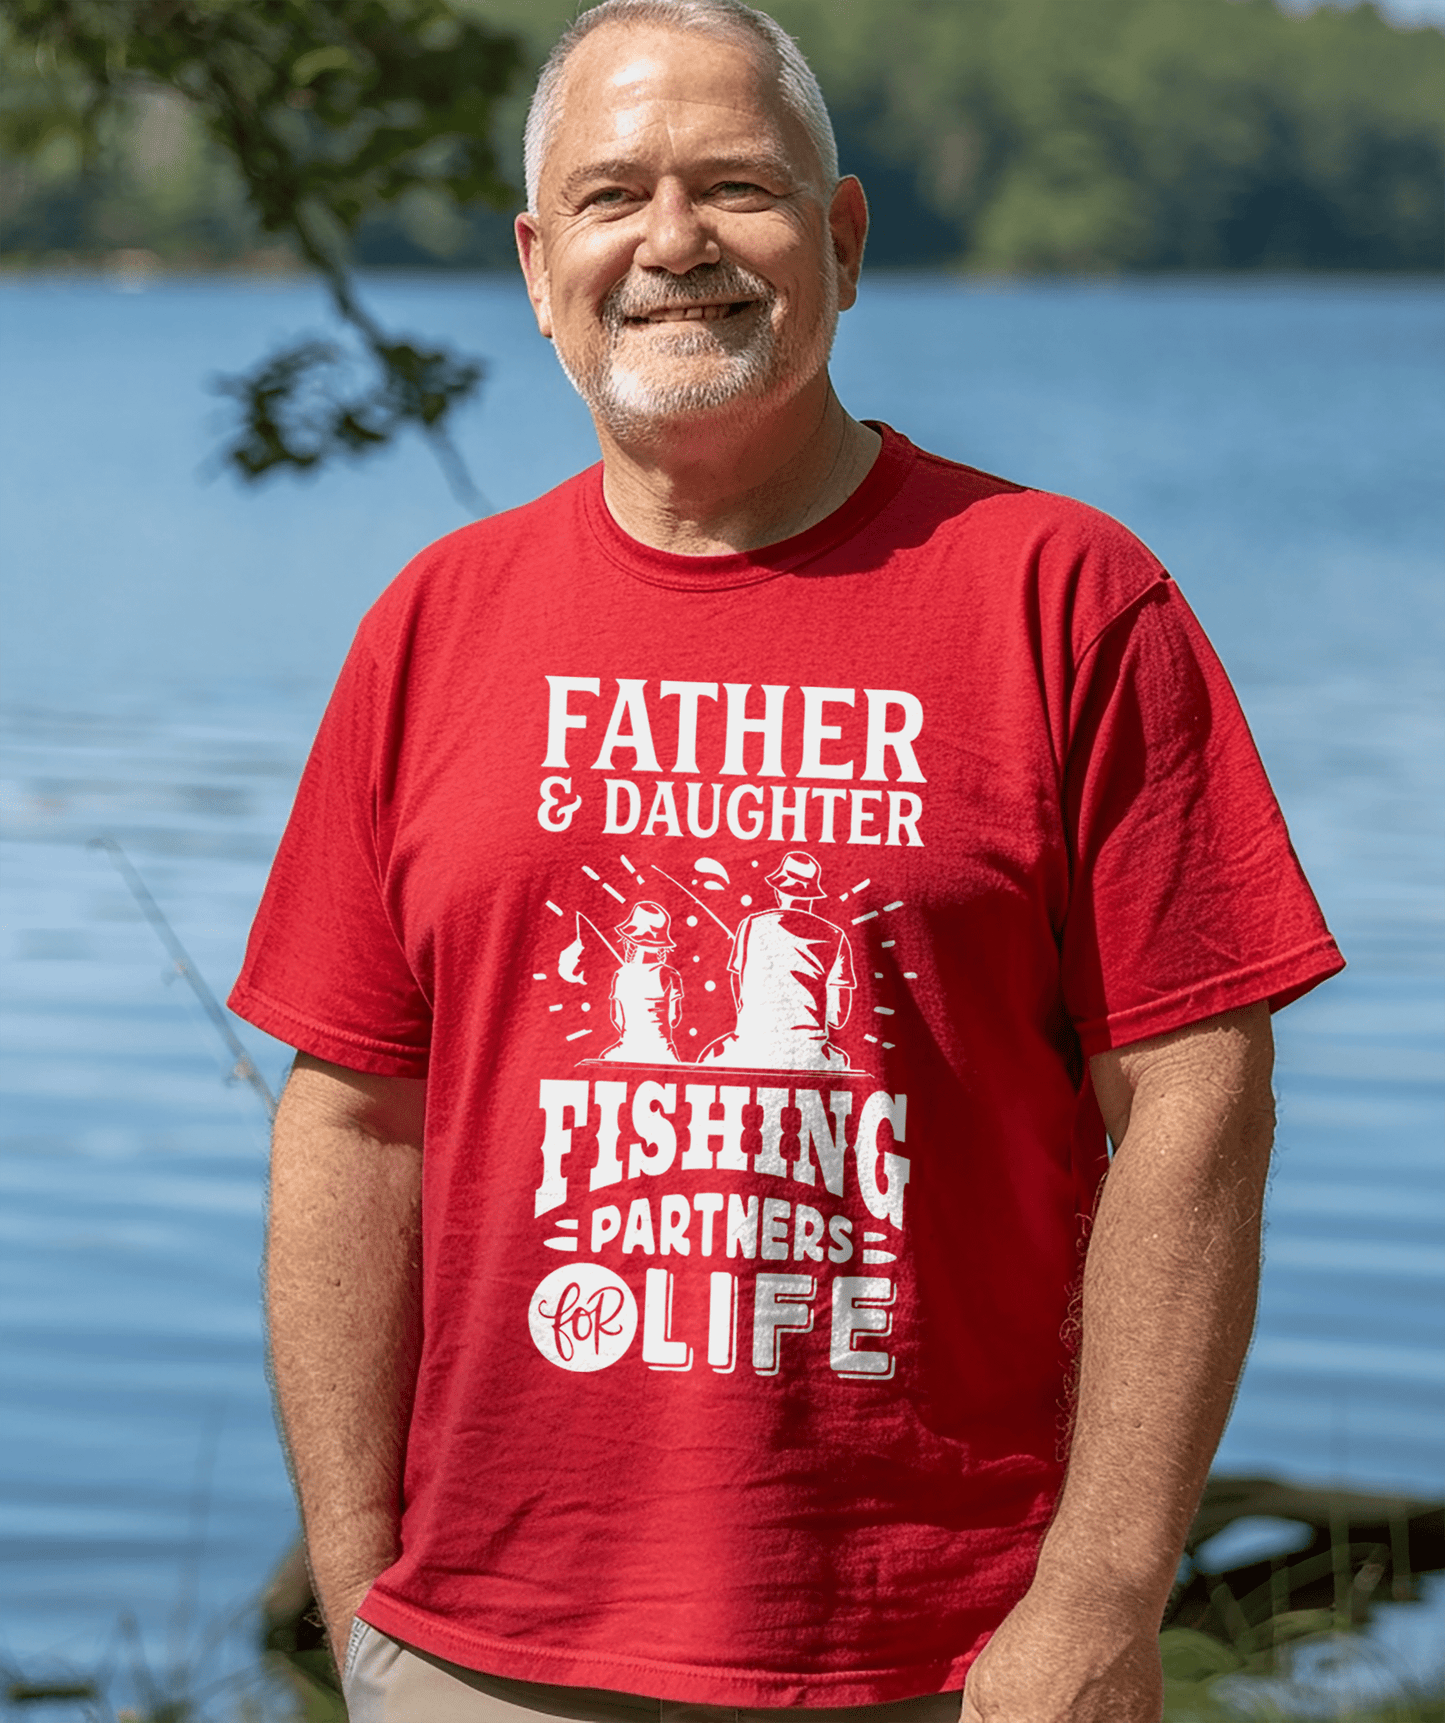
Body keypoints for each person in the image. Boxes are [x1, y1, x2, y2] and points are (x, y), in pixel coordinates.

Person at [230, 3, 1344, 1720]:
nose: (670, 243)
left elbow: (1199, 1094)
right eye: (612, 197)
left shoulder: (1061, 597)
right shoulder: (437, 626)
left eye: (735, 186)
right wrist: (366, 1576)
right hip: (484, 1654)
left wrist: (1101, 1591)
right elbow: (352, 1109)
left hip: (947, 1657)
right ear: (539, 266)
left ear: (841, 238)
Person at [698, 851, 856, 1071]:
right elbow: (837, 1018)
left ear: (778, 889)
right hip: (811, 1051)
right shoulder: (836, 936)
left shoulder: (750, 925)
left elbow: (740, 994)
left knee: (707, 1060)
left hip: (750, 1045)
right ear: (811, 895)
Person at [601, 901, 685, 1062]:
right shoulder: (670, 974)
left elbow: (617, 1018)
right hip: (662, 1051)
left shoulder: (620, 975)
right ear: (661, 945)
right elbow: (674, 1018)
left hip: (626, 1049)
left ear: (630, 940)